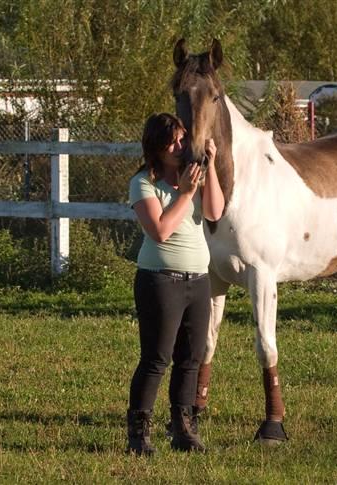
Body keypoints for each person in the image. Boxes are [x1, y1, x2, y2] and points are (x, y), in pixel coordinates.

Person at [126, 113, 224, 455]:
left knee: (191, 359)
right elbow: (161, 231)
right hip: (159, 282)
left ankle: (183, 428)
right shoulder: (143, 183)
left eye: (183, 139)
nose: (181, 146)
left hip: (197, 281)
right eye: (174, 142)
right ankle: (138, 434)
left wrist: (209, 168)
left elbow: (214, 212)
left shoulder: (191, 176)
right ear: (156, 147)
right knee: (156, 358)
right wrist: (184, 193)